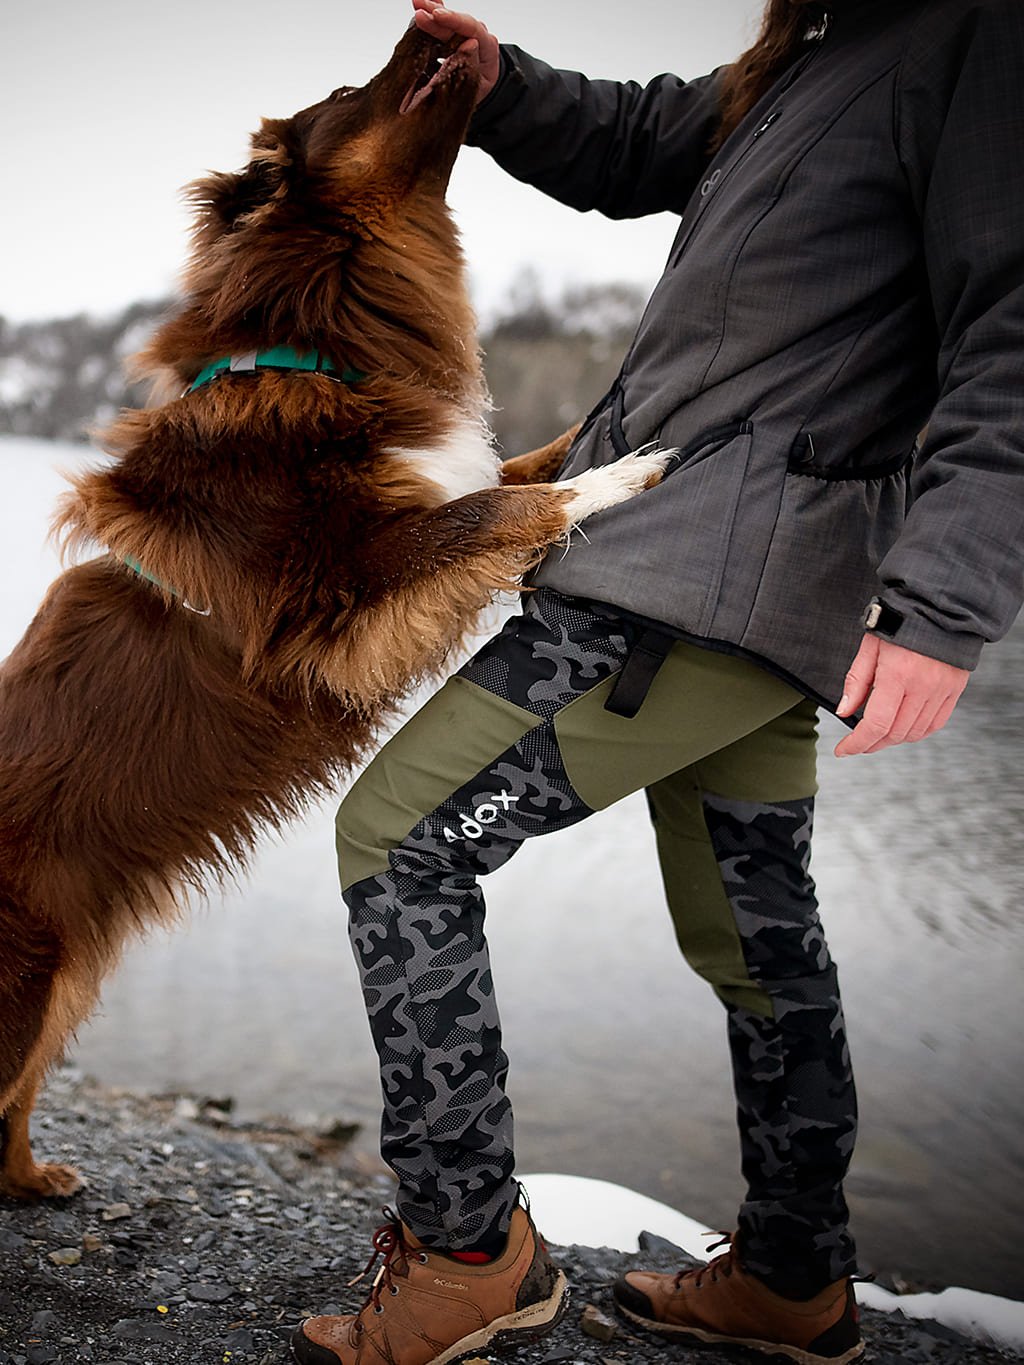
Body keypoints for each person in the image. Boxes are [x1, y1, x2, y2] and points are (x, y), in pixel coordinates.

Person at [292, 0, 1024, 1361]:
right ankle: (797, 1277)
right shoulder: (813, 60)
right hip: (742, 590)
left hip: (687, 581)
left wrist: (942, 609)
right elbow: (631, 140)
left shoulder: (973, 44)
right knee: (759, 940)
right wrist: (499, 82)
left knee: (398, 841)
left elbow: (1014, 338)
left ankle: (468, 1251)